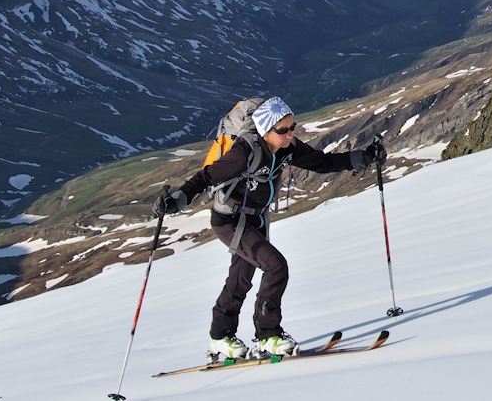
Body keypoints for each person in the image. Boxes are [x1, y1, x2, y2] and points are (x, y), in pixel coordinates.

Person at [153, 95, 386, 360]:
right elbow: (207, 176)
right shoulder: (245, 152)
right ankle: (268, 334)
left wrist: (363, 157)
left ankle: (220, 337)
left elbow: (322, 162)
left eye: (292, 127)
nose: (290, 134)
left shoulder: (288, 149)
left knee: (240, 279)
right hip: (229, 221)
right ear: (266, 129)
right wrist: (179, 199)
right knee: (276, 266)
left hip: (256, 219)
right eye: (283, 130)